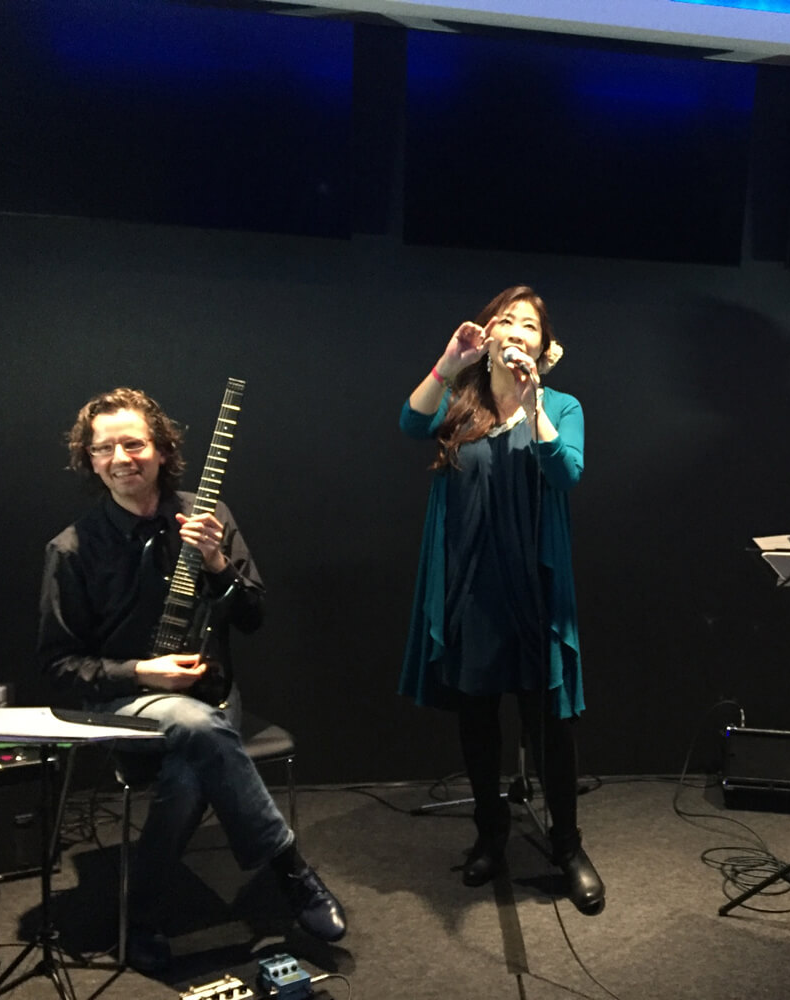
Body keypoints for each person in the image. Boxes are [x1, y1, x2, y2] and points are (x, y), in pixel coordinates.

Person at [37, 387, 347, 974]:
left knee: (189, 768)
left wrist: (217, 564)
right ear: (90, 460)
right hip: (125, 705)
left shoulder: (209, 516)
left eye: (134, 443)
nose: (121, 458)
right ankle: (290, 868)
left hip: (211, 697)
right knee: (197, 727)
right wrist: (140, 671)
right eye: (104, 448)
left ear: (161, 449)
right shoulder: (72, 549)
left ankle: (139, 917)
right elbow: (58, 666)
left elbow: (252, 617)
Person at [398, 285, 604, 915]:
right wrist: (448, 361)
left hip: (535, 590)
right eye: (506, 320)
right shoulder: (460, 400)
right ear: (487, 333)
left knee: (551, 731)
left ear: (544, 347)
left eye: (530, 326)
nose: (517, 331)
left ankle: (567, 847)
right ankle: (490, 837)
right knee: (479, 724)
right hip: (470, 588)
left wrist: (533, 401)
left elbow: (566, 472)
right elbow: (410, 422)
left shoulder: (561, 405)